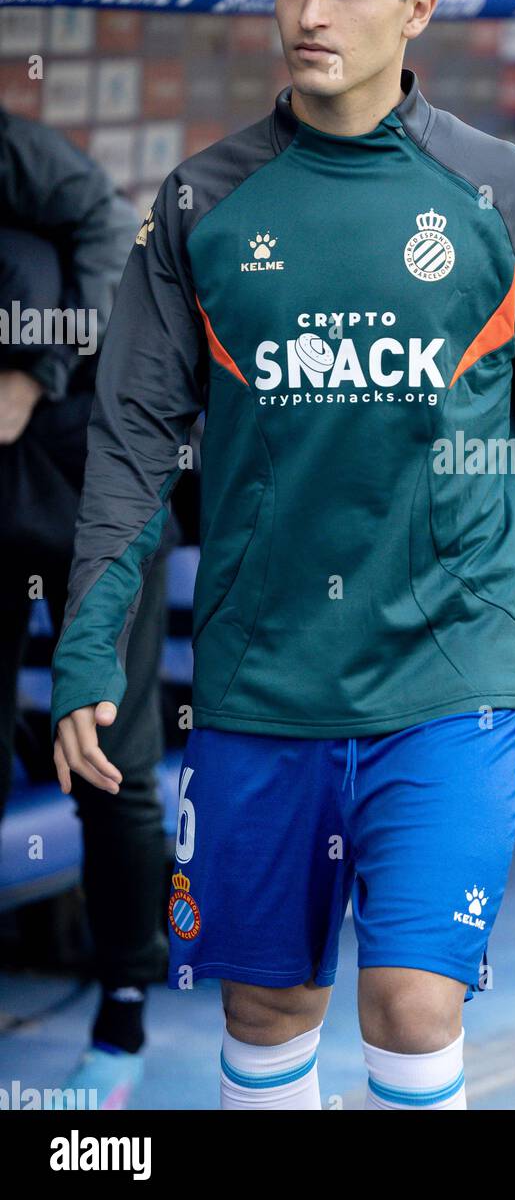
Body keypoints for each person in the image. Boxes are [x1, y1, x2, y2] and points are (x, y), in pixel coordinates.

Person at [49, 0, 515, 1112]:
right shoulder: (202, 203)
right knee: (270, 1007)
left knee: (413, 998)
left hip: (452, 667)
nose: (309, 14)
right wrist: (87, 654)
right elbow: (127, 445)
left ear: (420, 5)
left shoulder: (508, 196)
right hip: (263, 675)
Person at [0, 107, 172, 1108]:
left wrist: (34, 368)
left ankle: (121, 1015)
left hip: (87, 472)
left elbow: (120, 241)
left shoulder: (18, 155)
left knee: (109, 757)